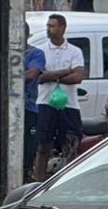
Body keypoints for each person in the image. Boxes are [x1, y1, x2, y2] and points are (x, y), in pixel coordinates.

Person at [32, 13, 84, 180]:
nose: (49, 29)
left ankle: (69, 180)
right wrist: (65, 72)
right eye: (48, 26)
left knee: (70, 144)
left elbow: (78, 77)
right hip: (46, 102)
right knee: (43, 144)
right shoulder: (41, 51)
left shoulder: (75, 51)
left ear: (62, 28)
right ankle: (38, 181)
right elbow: (40, 77)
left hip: (69, 105)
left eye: (52, 26)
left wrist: (53, 76)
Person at [21, 23, 45, 179]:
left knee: (28, 147)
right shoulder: (5, 53)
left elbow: (31, 74)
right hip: (5, 108)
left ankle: (26, 175)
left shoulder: (36, 54)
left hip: (29, 108)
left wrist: (8, 75)